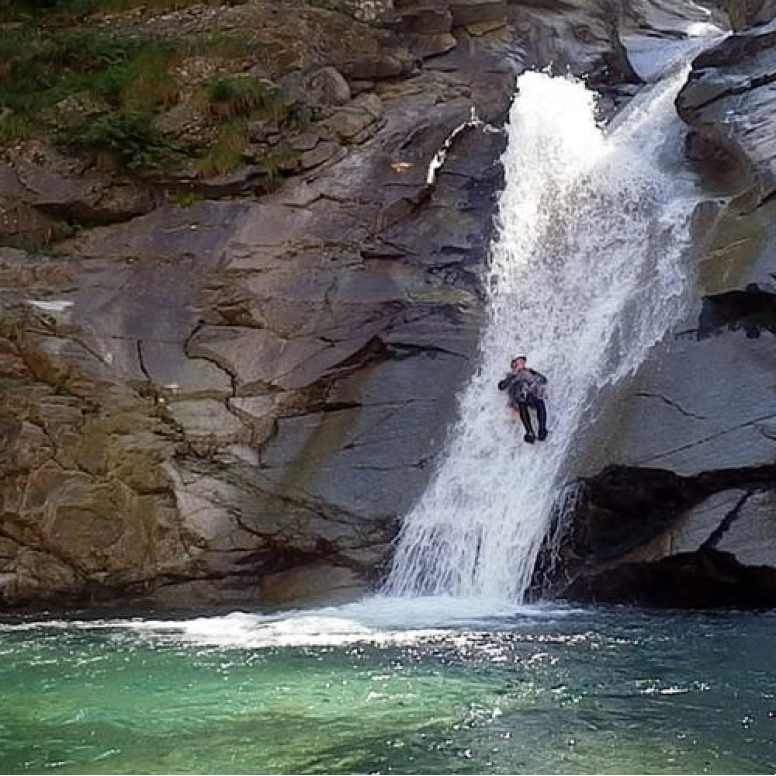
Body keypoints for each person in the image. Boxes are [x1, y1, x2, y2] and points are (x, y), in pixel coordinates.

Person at [497, 355, 548, 444]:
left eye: (522, 363)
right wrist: (513, 375)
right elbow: (501, 386)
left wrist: (534, 372)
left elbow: (544, 380)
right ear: (514, 366)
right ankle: (529, 431)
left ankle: (542, 429)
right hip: (517, 403)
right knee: (522, 399)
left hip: (531, 398)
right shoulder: (511, 375)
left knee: (539, 400)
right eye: (518, 363)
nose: (521, 365)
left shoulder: (530, 372)